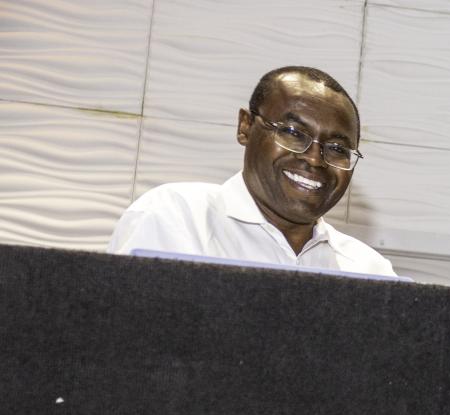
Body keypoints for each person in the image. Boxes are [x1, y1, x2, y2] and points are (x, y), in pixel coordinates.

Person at [108, 66, 394, 276]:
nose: (315, 160)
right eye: (293, 132)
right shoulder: (174, 219)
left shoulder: (368, 270)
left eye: (336, 149)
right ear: (245, 126)